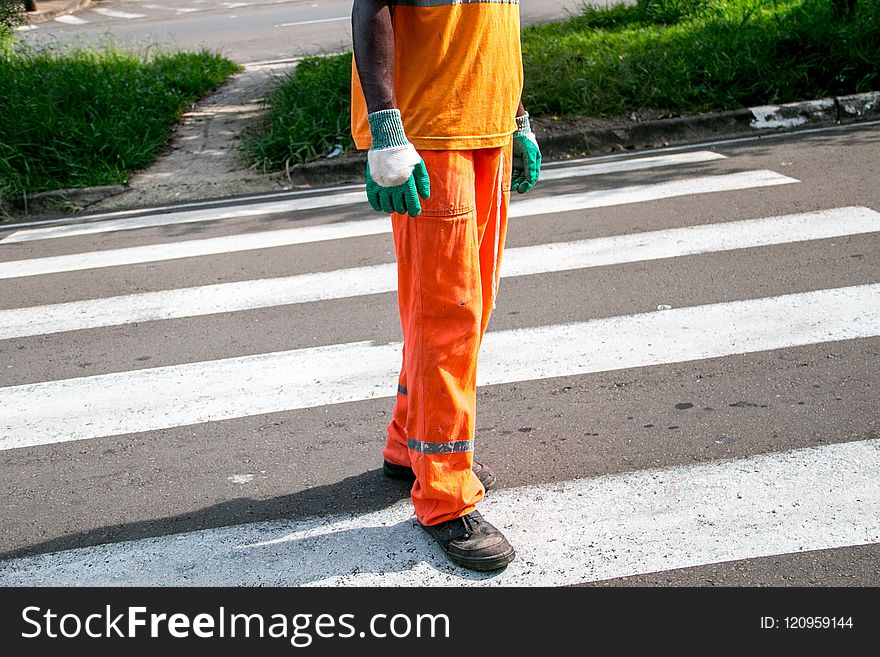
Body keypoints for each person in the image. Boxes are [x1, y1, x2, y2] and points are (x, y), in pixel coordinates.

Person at [350, 0, 541, 571]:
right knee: (448, 317)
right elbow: (372, 7)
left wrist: (516, 117)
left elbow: (490, 26)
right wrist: (386, 129)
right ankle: (445, 496)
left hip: (483, 126)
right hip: (431, 133)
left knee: (463, 309)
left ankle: (410, 441)